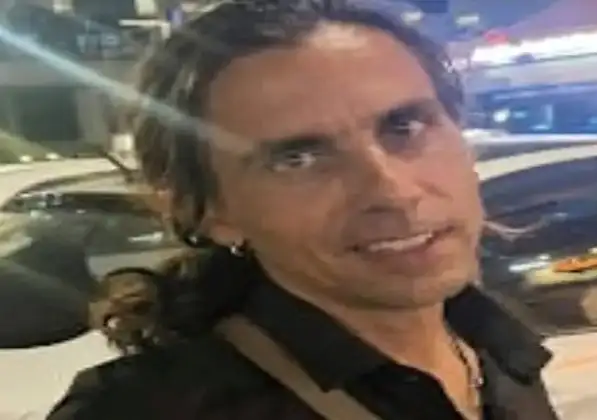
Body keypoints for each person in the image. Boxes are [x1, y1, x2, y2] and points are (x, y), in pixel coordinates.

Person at [48, 1, 559, 419]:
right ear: (208, 210)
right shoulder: (150, 410)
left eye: (405, 127)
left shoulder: (491, 351)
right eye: (298, 158)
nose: (394, 191)